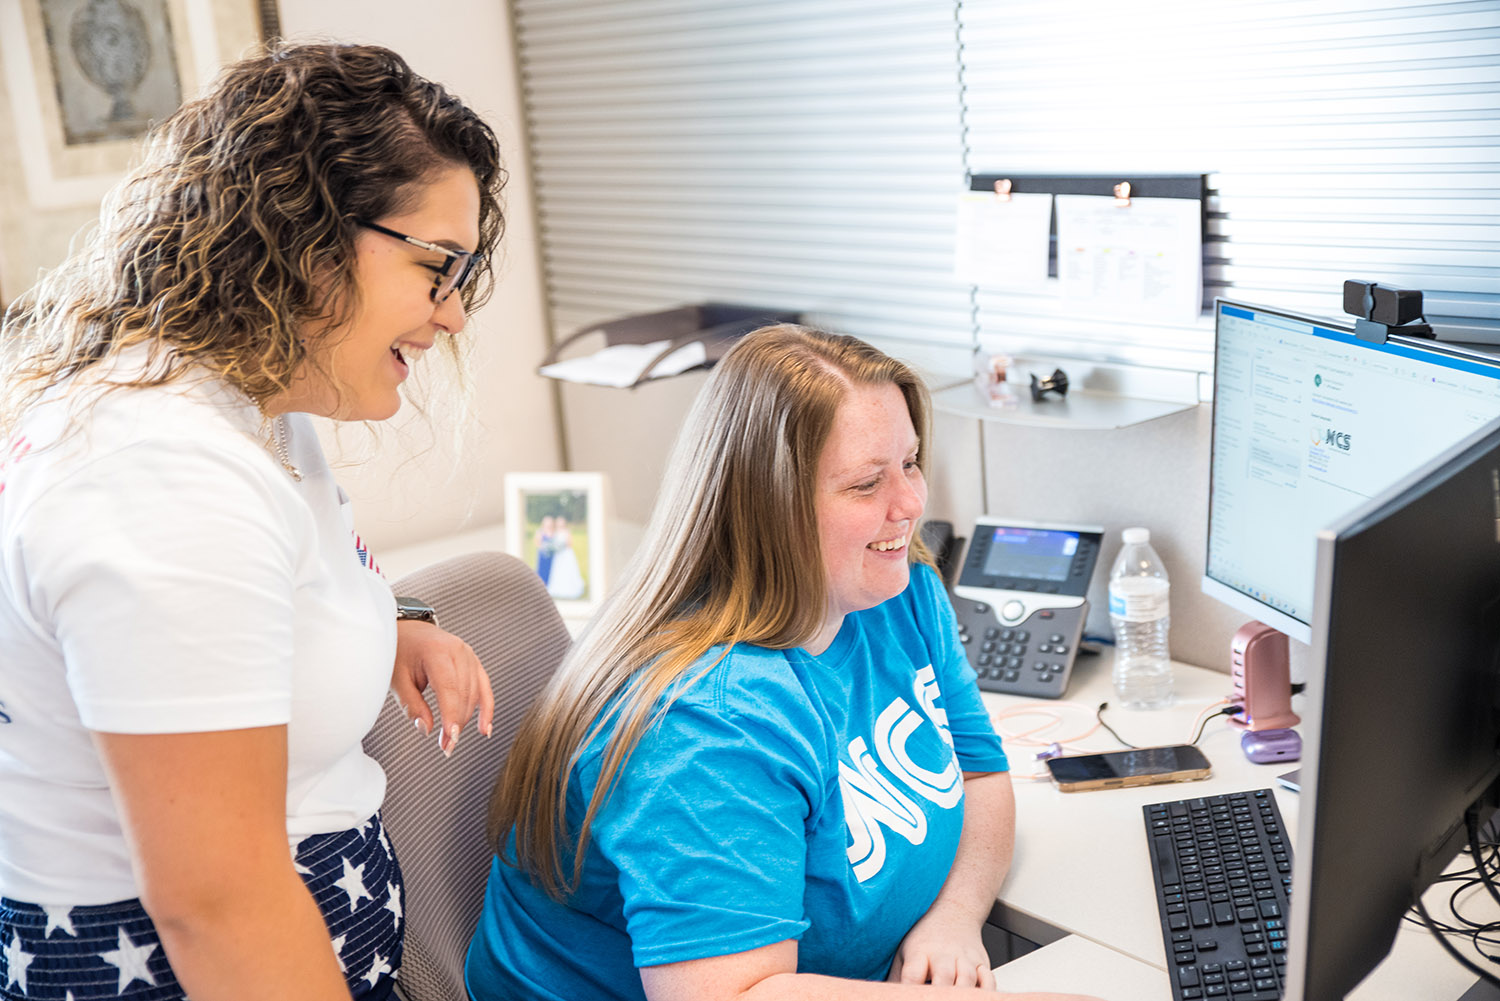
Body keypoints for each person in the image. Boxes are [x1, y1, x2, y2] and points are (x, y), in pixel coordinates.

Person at [0, 42, 504, 1001]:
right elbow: (216, 902)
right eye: (437, 267)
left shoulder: (250, 405)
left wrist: (390, 620)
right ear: (304, 234)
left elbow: (253, 597)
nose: (453, 316)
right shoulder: (159, 472)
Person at [467, 325, 1102, 1001]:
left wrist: (954, 914)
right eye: (866, 483)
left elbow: (981, 771)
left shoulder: (899, 589)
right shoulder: (708, 722)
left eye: (910, 463)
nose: (911, 504)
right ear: (769, 507)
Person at [544, 514, 586, 600]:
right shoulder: (556, 532)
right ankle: (558, 588)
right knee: (558, 571)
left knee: (567, 570)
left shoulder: (567, 532)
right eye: (558, 522)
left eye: (561, 522)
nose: (560, 524)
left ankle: (569, 589)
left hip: (566, 554)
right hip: (558, 555)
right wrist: (555, 547)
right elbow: (553, 541)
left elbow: (570, 544)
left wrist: (561, 546)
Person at [534, 514, 558, 585]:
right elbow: (537, 543)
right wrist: (544, 547)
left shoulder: (554, 532)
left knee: (551, 570)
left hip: (552, 555)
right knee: (542, 570)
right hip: (543, 555)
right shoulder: (540, 532)